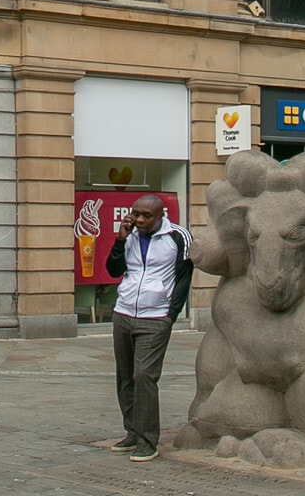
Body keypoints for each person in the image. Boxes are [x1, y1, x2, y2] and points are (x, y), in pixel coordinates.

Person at [103, 192, 193, 463]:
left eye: (146, 215)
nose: (140, 219)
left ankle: (147, 439)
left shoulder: (178, 237)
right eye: (136, 214)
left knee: (145, 376)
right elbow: (112, 270)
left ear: (161, 215)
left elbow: (183, 278)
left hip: (156, 317)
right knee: (126, 376)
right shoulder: (129, 235)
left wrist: (170, 315)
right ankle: (131, 432)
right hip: (124, 312)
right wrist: (120, 240)